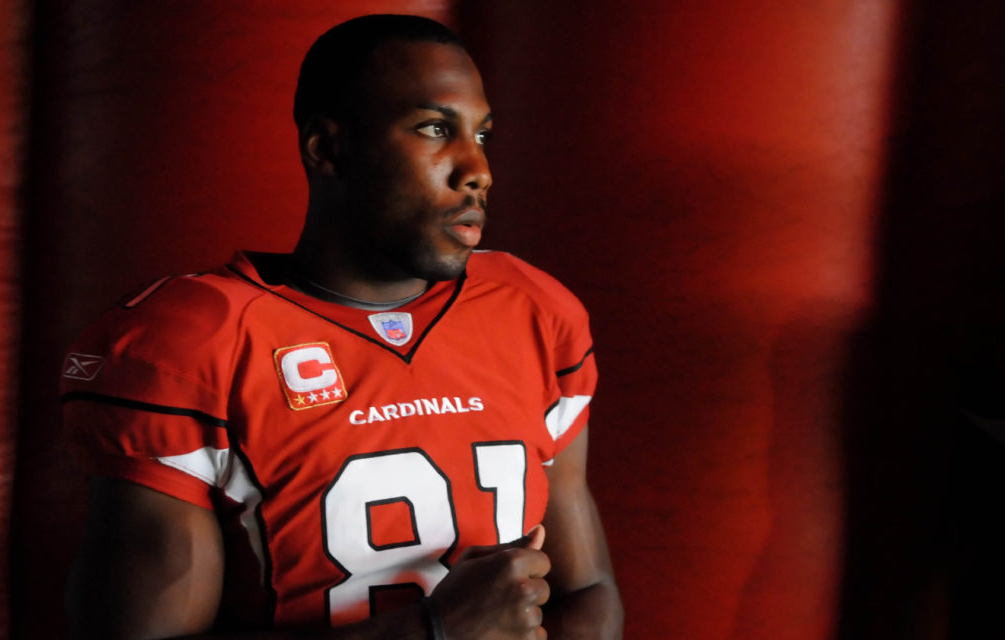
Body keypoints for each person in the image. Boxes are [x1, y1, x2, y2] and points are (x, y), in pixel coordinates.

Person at [63, 14, 622, 640]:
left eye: (482, 136)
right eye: (435, 128)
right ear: (327, 148)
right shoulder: (199, 341)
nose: (477, 170)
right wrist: (433, 631)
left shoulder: (534, 310)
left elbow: (587, 592)